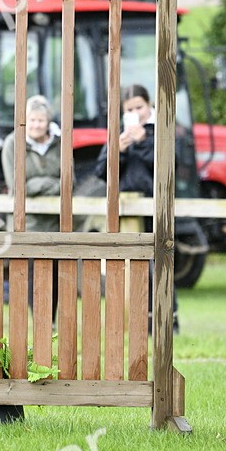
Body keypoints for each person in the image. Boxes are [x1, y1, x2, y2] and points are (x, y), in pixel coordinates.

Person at [94, 84, 178, 332]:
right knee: (132, 267)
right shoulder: (119, 133)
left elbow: (167, 167)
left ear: (149, 104)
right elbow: (101, 172)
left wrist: (142, 141)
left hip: (157, 207)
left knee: (162, 263)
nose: (136, 113)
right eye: (129, 109)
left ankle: (167, 322)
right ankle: (137, 320)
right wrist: (117, 151)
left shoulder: (162, 130)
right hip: (127, 210)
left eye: (139, 107)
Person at [0, 95, 62, 232]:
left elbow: (69, 183)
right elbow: (16, 187)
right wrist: (49, 183)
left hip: (54, 225)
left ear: (48, 122)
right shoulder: (12, 144)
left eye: (41, 120)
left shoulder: (60, 143)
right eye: (32, 120)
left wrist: (34, 184)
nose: (36, 125)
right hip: (24, 224)